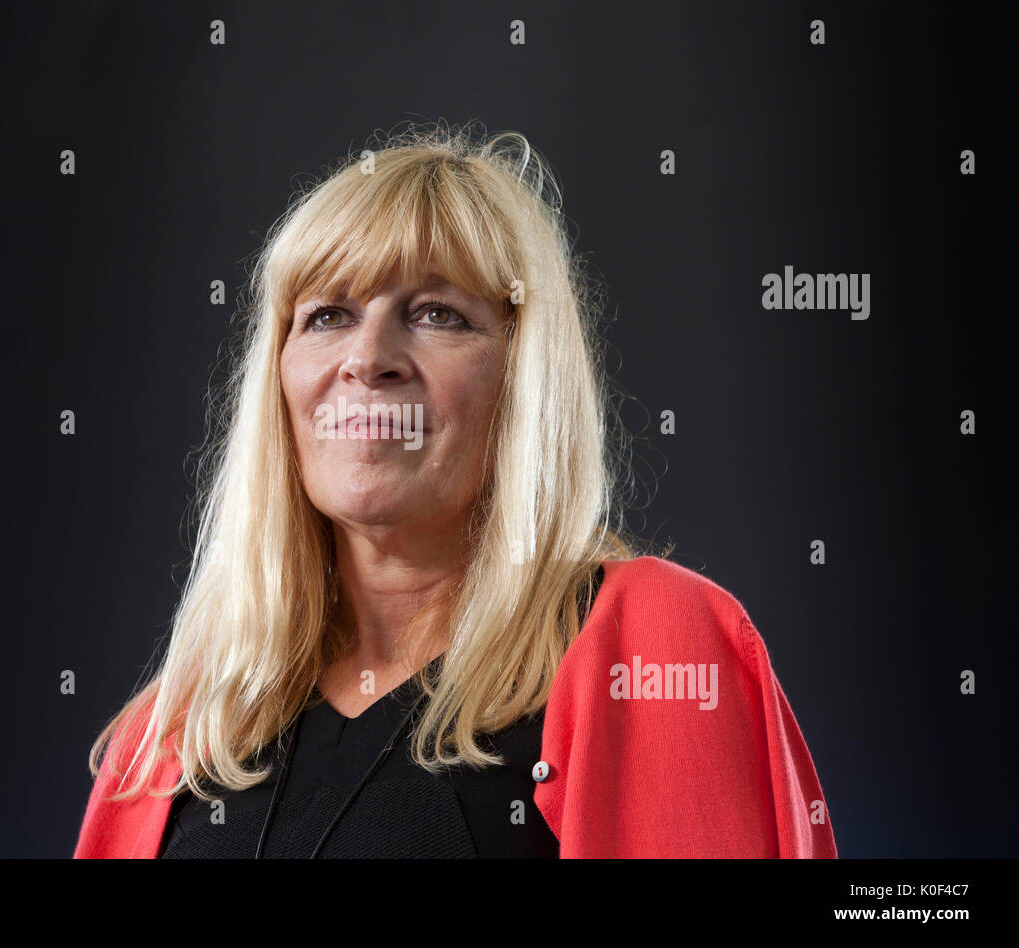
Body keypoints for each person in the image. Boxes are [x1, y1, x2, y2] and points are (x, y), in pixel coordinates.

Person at [72, 120, 838, 858]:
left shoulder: (651, 649)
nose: (369, 359)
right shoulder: (174, 733)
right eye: (328, 315)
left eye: (437, 314)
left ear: (522, 376)